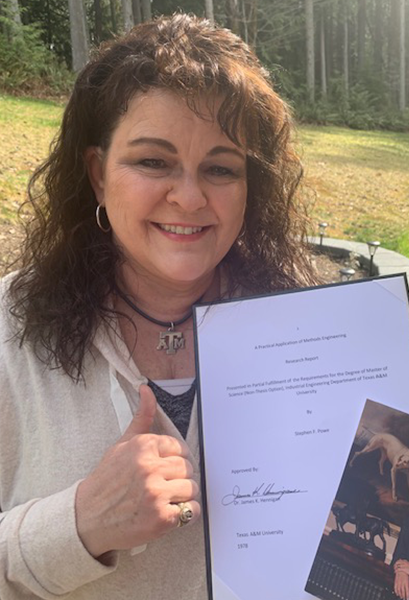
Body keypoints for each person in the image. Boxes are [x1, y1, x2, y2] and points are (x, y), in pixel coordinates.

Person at [0, 14, 317, 599]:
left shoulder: (307, 333)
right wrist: (77, 524)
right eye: (152, 161)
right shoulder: (8, 327)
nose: (190, 197)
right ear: (97, 175)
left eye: (221, 168)